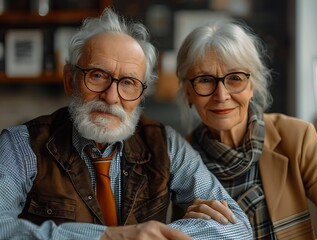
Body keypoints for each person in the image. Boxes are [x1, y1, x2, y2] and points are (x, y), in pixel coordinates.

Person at [0, 8, 254, 240]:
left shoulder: (166, 144)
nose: (112, 97)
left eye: (128, 83)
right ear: (70, 80)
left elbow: (238, 227)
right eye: (98, 76)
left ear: (141, 95)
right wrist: (111, 237)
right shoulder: (21, 145)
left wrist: (154, 235)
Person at [175, 19, 317, 239]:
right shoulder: (179, 161)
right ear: (188, 91)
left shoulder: (296, 137)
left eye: (235, 78)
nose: (222, 95)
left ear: (252, 86)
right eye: (205, 80)